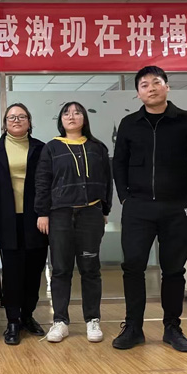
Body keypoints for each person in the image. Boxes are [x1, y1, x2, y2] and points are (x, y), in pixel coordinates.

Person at [112, 66, 187, 353]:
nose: (151, 88)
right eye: (144, 85)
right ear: (138, 93)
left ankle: (172, 327)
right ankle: (133, 328)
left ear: (167, 87)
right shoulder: (129, 123)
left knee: (174, 269)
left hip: (177, 207)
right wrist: (125, 198)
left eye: (156, 82)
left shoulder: (186, 121)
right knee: (133, 267)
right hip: (138, 207)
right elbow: (119, 163)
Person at [35, 102, 112, 344]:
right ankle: (60, 321)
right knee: (60, 269)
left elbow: (107, 180)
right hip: (60, 215)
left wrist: (104, 209)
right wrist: (42, 212)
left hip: (91, 214)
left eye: (77, 112)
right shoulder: (51, 148)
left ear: (84, 119)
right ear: (61, 120)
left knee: (90, 268)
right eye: (67, 113)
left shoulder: (97, 147)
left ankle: (92, 319)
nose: (72, 116)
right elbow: (42, 181)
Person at [0, 103, 47, 345]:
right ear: (4, 123)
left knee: (34, 269)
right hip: (7, 218)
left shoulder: (41, 148)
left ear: (29, 122)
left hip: (37, 217)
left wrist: (46, 212)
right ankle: (12, 320)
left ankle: (27, 315)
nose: (16, 120)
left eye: (22, 116)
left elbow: (48, 182)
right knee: (12, 270)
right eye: (11, 117)